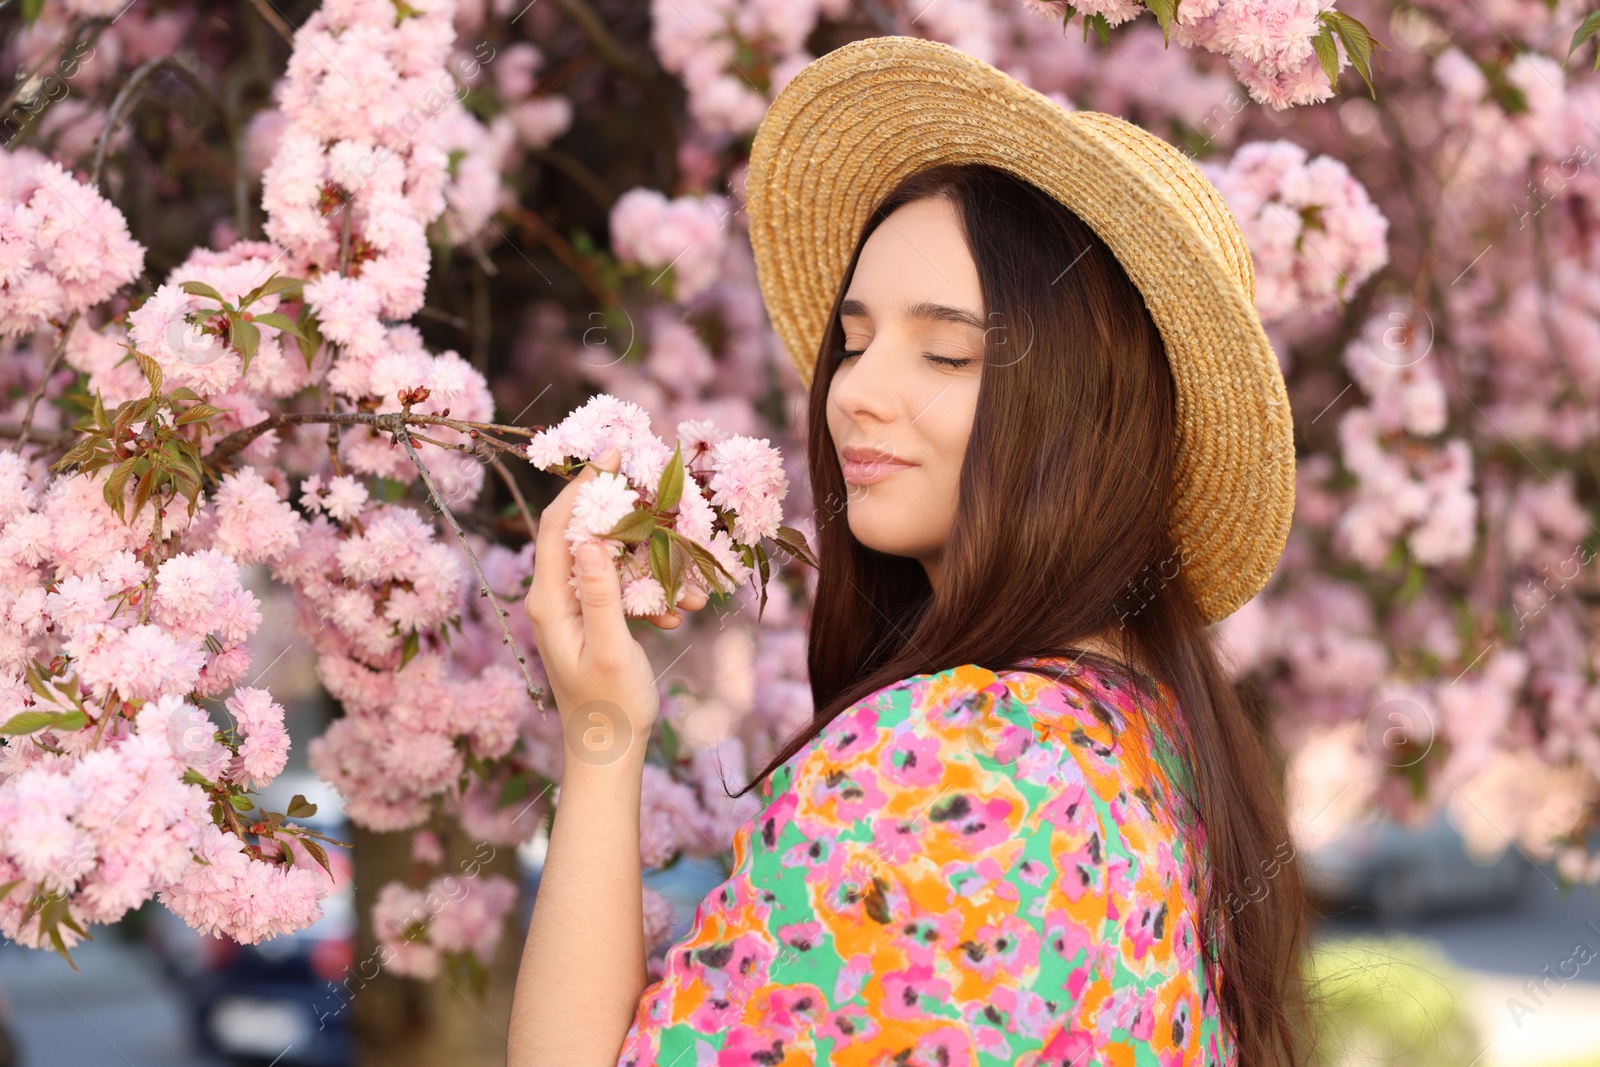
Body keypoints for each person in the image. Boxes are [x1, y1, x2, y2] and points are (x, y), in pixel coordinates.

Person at [509, 34, 1309, 1067]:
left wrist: (602, 735)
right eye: (852, 340)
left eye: (945, 352)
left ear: (1090, 411)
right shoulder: (1153, 744)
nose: (854, 392)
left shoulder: (956, 758)